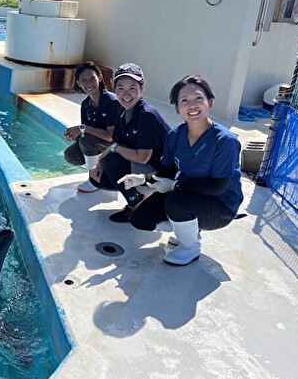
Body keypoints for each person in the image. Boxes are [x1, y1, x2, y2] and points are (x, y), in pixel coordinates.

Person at [118, 75, 243, 265]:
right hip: (188, 196)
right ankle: (187, 229)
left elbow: (217, 187)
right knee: (139, 218)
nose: (192, 105)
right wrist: (143, 179)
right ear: (177, 109)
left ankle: (190, 246)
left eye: (198, 98)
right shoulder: (175, 136)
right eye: (184, 101)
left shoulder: (225, 141)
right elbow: (166, 172)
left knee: (177, 201)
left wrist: (176, 185)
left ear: (210, 102)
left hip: (220, 206)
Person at [89, 63, 171, 222]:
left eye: (133, 88)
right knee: (98, 176)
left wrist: (113, 150)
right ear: (114, 89)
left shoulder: (147, 115)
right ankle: (140, 198)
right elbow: (117, 143)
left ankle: (136, 204)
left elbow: (142, 157)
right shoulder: (121, 110)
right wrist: (100, 163)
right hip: (144, 167)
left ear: (142, 88)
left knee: (113, 161)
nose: (126, 94)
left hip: (162, 174)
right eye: (121, 88)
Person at [63, 61, 120, 193]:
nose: (89, 84)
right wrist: (75, 134)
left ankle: (95, 180)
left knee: (86, 139)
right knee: (71, 155)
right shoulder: (85, 104)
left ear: (99, 77)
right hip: (101, 145)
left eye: (92, 79)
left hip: (117, 148)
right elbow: (84, 131)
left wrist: (82, 129)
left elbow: (109, 135)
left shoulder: (112, 101)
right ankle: (101, 170)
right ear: (78, 83)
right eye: (84, 80)